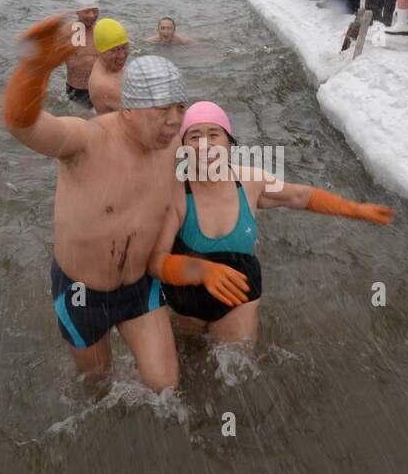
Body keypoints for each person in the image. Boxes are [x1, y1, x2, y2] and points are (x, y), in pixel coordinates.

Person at [1, 21, 239, 392]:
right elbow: (21, 125)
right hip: (82, 292)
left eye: (179, 108)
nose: (174, 122)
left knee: (166, 388)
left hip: (139, 287)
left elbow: (227, 172)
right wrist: (34, 70)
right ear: (129, 109)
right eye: (161, 111)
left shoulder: (176, 147)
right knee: (95, 385)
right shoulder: (86, 141)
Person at [155, 102, 395, 345]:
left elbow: (299, 196)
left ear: (229, 143)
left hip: (238, 296)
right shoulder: (173, 192)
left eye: (214, 135)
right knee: (194, 358)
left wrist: (352, 208)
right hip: (186, 296)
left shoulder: (251, 181)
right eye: (195, 136)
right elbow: (156, 260)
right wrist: (202, 271)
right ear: (183, 148)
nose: (205, 144)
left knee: (238, 369)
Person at [87, 17, 129, 114]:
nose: (122, 55)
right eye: (114, 50)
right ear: (99, 51)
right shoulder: (105, 86)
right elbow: (142, 118)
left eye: (125, 47)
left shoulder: (110, 65)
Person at [66, 0, 100, 106]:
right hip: (76, 90)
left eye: (95, 11)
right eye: (87, 12)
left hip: (99, 89)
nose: (92, 15)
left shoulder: (103, 30)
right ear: (77, 12)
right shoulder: (67, 32)